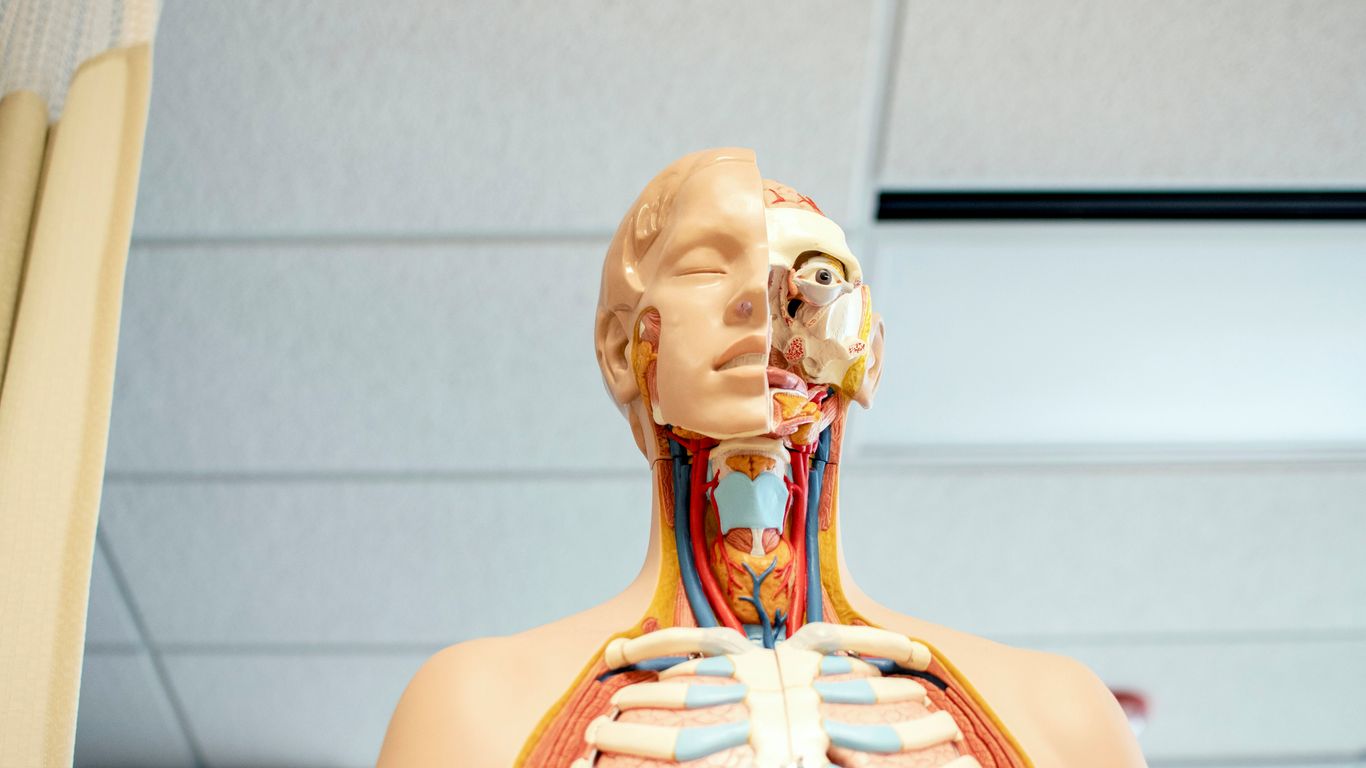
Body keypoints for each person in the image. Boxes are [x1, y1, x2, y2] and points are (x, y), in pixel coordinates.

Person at [378, 148, 1145, 767]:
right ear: (623, 349)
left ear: (867, 353)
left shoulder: (1062, 717)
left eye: (819, 275)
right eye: (711, 267)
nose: (771, 301)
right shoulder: (471, 710)